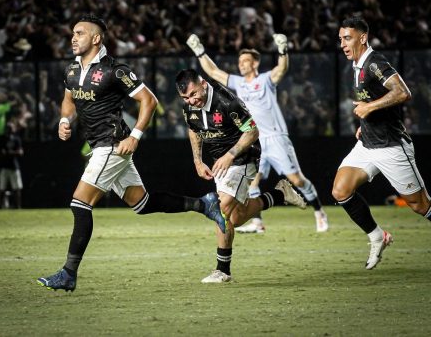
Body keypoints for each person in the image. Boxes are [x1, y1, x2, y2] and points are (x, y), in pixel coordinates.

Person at [37, 14, 226, 292]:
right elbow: (68, 101)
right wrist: (65, 121)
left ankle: (68, 273)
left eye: (80, 33)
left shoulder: (116, 71)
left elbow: (149, 100)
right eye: (73, 33)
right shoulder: (72, 71)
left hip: (111, 146)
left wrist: (135, 137)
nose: (73, 37)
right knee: (142, 203)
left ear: (96, 38)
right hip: (102, 146)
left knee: (80, 204)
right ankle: (204, 204)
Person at [187, 33, 328, 233]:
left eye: (245, 61)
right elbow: (213, 71)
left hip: (275, 137)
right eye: (239, 61)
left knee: (297, 180)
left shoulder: (265, 80)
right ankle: (257, 222)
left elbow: (282, 69)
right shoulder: (237, 83)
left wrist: (282, 49)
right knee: (252, 183)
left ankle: (319, 211)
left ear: (255, 63)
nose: (241, 64)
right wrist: (199, 50)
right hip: (253, 139)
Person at [175, 69, 307, 283]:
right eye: (186, 98)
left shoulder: (227, 102)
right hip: (221, 164)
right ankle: (279, 194)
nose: (191, 100)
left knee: (220, 210)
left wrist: (229, 155)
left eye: (193, 94)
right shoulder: (189, 107)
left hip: (244, 156)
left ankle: (222, 270)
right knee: (235, 218)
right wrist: (197, 162)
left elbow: (252, 131)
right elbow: (193, 130)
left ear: (203, 84)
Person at [332, 16, 430, 269]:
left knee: (420, 206)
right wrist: (364, 124)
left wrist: (370, 107)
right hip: (367, 145)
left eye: (347, 38)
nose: (342, 43)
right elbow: (371, 103)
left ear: (362, 38)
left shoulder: (375, 62)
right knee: (340, 190)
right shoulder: (356, 65)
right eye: (340, 38)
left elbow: (402, 92)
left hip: (391, 146)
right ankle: (378, 237)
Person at [0, 122, 23, 209]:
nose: (9, 130)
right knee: (2, 188)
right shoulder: (2, 139)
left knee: (17, 188)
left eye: (11, 128)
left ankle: (18, 206)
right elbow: (1, 153)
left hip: (14, 167)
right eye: (8, 128)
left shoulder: (16, 139)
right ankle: (1, 206)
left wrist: (10, 153)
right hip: (4, 167)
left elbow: (20, 152)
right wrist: (11, 153)